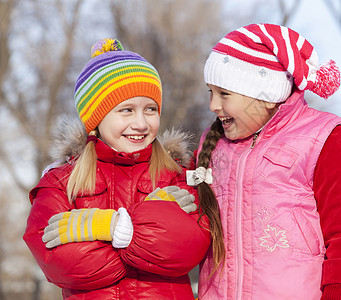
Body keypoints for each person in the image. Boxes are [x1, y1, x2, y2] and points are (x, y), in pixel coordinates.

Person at [23, 38, 215, 299]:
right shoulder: (60, 183)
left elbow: (187, 249)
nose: (140, 123)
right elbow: (63, 264)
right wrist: (151, 225)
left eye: (150, 109)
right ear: (96, 119)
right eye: (126, 110)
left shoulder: (178, 175)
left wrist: (108, 226)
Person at [192, 23, 341, 299]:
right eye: (210, 93)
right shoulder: (212, 146)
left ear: (265, 96)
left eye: (224, 94)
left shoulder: (324, 137)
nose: (213, 105)